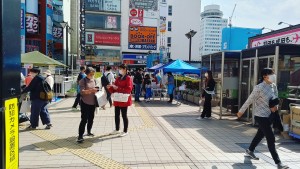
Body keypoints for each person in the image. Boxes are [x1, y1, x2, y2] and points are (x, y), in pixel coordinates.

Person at [237, 68, 289, 169]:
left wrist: (275, 107)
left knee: (260, 134)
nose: (274, 75)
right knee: (271, 138)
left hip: (270, 115)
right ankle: (278, 163)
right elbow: (249, 100)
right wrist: (241, 111)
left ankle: (250, 150)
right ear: (265, 76)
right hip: (261, 116)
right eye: (272, 74)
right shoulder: (259, 87)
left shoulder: (273, 86)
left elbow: (276, 99)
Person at [108, 64, 133, 137]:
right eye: (119, 69)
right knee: (116, 115)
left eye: (120, 69)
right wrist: (110, 87)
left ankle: (125, 130)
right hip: (117, 99)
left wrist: (117, 88)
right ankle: (117, 129)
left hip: (124, 99)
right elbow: (113, 89)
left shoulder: (128, 78)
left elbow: (129, 89)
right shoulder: (118, 78)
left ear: (125, 69)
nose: (119, 70)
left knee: (124, 115)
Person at [77, 67, 98, 143]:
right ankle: (80, 136)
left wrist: (97, 91)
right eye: (91, 74)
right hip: (85, 102)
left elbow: (96, 89)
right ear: (87, 73)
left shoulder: (94, 80)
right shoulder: (83, 81)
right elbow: (82, 92)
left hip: (93, 103)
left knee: (91, 119)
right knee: (84, 119)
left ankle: (89, 131)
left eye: (93, 73)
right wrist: (91, 90)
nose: (92, 75)